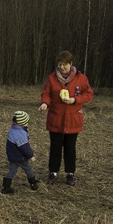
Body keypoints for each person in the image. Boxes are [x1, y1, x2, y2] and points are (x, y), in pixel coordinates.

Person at [39, 50, 93, 186]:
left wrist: (75, 100)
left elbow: (88, 94)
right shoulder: (52, 78)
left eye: (64, 65)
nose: (62, 67)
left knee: (70, 148)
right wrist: (45, 103)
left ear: (71, 64)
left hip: (73, 120)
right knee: (55, 147)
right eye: (60, 65)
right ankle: (53, 172)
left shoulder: (81, 78)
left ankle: (70, 174)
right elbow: (46, 93)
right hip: (55, 119)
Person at [3, 110, 39, 194]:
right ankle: (33, 183)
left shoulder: (13, 129)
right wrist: (31, 155)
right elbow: (24, 147)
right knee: (28, 169)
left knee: (12, 171)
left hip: (13, 156)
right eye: (27, 122)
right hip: (20, 157)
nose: (28, 124)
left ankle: (6, 186)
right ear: (22, 123)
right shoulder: (19, 134)